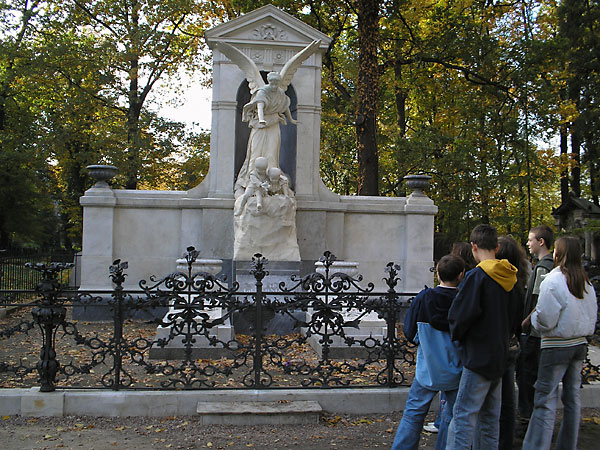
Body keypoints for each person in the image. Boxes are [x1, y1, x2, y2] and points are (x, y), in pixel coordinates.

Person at [445, 224, 522, 450]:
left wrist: (458, 338)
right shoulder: (511, 278)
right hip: (500, 355)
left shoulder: (476, 277)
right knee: (490, 419)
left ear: (474, 246)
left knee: (462, 417)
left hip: (478, 357)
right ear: (497, 247)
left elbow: (460, 316)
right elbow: (516, 317)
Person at [522, 236, 597, 450]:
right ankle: (567, 445)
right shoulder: (586, 282)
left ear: (558, 253)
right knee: (572, 399)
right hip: (578, 344)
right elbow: (592, 314)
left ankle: (537, 446)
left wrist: (533, 320)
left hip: (556, 344)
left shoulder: (553, 280)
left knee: (545, 399)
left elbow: (545, 317)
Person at [392, 255, 465, 450]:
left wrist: (421, 341)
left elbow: (409, 331)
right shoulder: (463, 301)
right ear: (461, 275)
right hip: (456, 368)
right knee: (452, 416)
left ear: (438, 273)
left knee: (414, 412)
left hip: (428, 367)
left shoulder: (424, 299)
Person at [472, 235, 530, 450]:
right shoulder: (517, 279)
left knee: (492, 401)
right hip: (510, 344)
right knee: (506, 397)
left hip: (494, 347)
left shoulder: (495, 279)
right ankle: (503, 440)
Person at [424, 242, 476, 435]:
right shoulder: (467, 291)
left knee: (448, 396)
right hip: (459, 351)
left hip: (437, 355)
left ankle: (444, 429)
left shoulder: (428, 298)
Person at [234, 72, 297, 195]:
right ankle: (251, 183)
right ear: (269, 81)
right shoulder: (262, 91)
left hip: (274, 124)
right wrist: (262, 119)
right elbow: (260, 106)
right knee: (256, 153)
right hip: (260, 125)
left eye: (276, 83)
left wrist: (291, 119)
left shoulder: (279, 92)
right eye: (272, 83)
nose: (274, 85)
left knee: (272, 153)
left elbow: (285, 106)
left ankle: (272, 184)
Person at [517, 225, 554, 428]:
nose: (528, 244)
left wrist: (525, 321)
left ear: (541, 242)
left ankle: (527, 419)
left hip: (534, 333)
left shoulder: (543, 267)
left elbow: (540, 300)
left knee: (528, 375)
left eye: (531, 240)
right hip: (539, 331)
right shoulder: (548, 264)